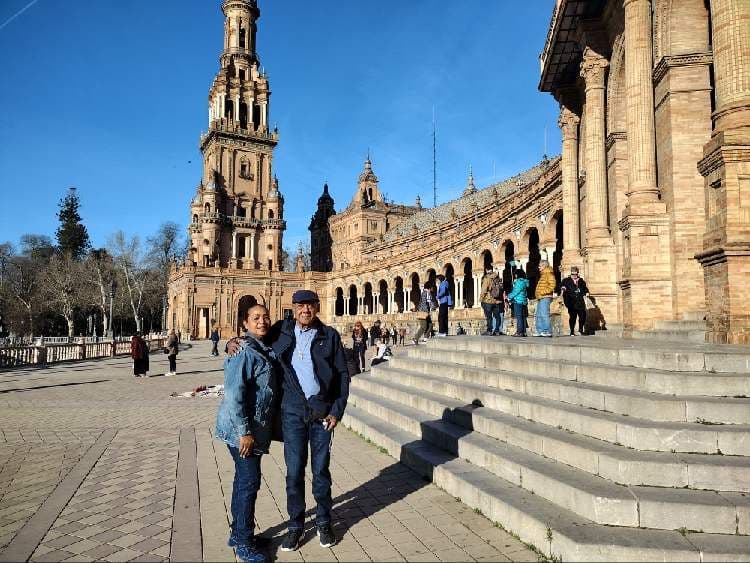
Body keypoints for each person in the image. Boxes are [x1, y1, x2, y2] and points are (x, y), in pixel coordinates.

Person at [270, 290, 349, 551]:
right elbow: (256, 341)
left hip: (322, 412)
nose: (305, 310)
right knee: (293, 472)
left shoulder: (329, 336)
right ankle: (295, 526)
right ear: (293, 308)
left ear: (317, 308)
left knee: (320, 471)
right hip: (292, 411)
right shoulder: (281, 330)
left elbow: (342, 376)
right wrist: (232, 343)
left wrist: (336, 411)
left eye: (310, 305)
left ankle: (324, 522)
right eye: (301, 305)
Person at [215, 304, 279, 563]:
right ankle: (243, 541)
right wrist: (245, 433)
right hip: (243, 431)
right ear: (245, 323)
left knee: (244, 481)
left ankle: (239, 533)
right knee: (249, 483)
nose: (262, 321)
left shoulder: (260, 347)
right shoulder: (244, 351)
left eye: (265, 317)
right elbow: (233, 396)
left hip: (250, 429)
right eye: (256, 318)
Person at [561, 266, 590, 336]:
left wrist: (587, 292)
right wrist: (563, 288)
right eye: (573, 274)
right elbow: (561, 286)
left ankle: (580, 329)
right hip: (571, 301)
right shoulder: (566, 281)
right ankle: (572, 331)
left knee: (583, 315)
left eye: (576, 274)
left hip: (580, 301)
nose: (574, 276)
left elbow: (585, 288)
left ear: (578, 273)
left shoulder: (581, 281)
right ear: (571, 274)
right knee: (573, 317)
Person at [479, 266, 503, 336]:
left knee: (489, 317)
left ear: (486, 270)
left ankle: (489, 330)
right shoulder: (497, 277)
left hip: (488, 300)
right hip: (496, 300)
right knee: (497, 316)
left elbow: (484, 290)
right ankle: (497, 330)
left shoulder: (487, 278)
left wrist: (481, 299)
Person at [534, 260, 556, 337]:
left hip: (545, 297)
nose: (539, 267)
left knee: (544, 314)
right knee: (539, 314)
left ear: (544, 266)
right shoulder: (543, 275)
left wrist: (542, 292)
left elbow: (552, 285)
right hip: (541, 297)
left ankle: (547, 330)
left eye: (540, 266)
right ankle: (540, 331)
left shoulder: (549, 274)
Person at [507, 270, 530, 337]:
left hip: (518, 301)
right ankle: (524, 332)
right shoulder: (525, 282)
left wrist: (508, 296)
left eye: (516, 274)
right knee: (523, 317)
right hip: (523, 301)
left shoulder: (519, 282)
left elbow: (515, 291)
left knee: (519, 317)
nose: (515, 276)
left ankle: (519, 331)